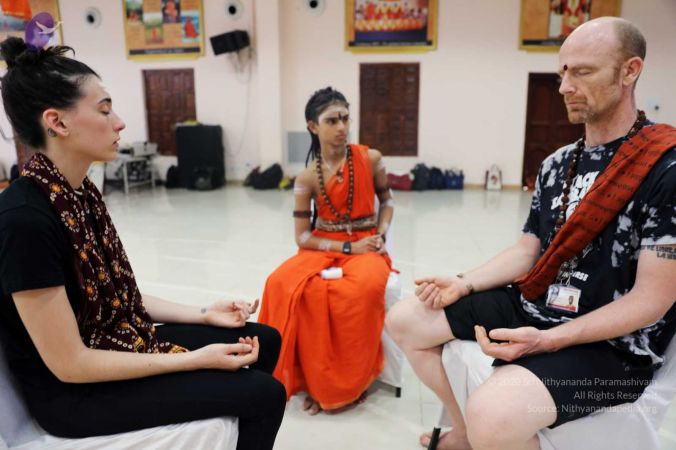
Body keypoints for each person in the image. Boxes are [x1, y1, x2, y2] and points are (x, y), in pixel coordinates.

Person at [386, 17, 675, 450]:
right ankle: (465, 435)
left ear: (630, 71)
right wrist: (463, 283)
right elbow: (528, 249)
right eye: (563, 72)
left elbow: (653, 298)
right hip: (540, 305)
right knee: (406, 320)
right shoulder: (557, 164)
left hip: (615, 350)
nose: (565, 87)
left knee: (493, 414)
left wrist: (550, 340)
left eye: (583, 72)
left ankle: (479, 431)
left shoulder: (664, 166)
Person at [0, 36, 286, 450]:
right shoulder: (23, 220)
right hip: (72, 395)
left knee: (265, 339)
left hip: (112, 338)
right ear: (57, 123)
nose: (119, 123)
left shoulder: (78, 193)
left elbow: (117, 296)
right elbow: (70, 364)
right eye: (104, 110)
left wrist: (204, 314)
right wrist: (193, 361)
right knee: (265, 396)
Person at [258, 87, 394, 415]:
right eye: (332, 120)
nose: (342, 127)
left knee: (358, 291)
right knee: (279, 284)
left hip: (367, 245)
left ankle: (348, 384)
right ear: (312, 126)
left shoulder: (371, 159)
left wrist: (380, 235)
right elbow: (302, 237)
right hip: (324, 245)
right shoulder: (306, 178)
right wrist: (346, 245)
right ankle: (308, 379)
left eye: (345, 118)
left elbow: (388, 201)